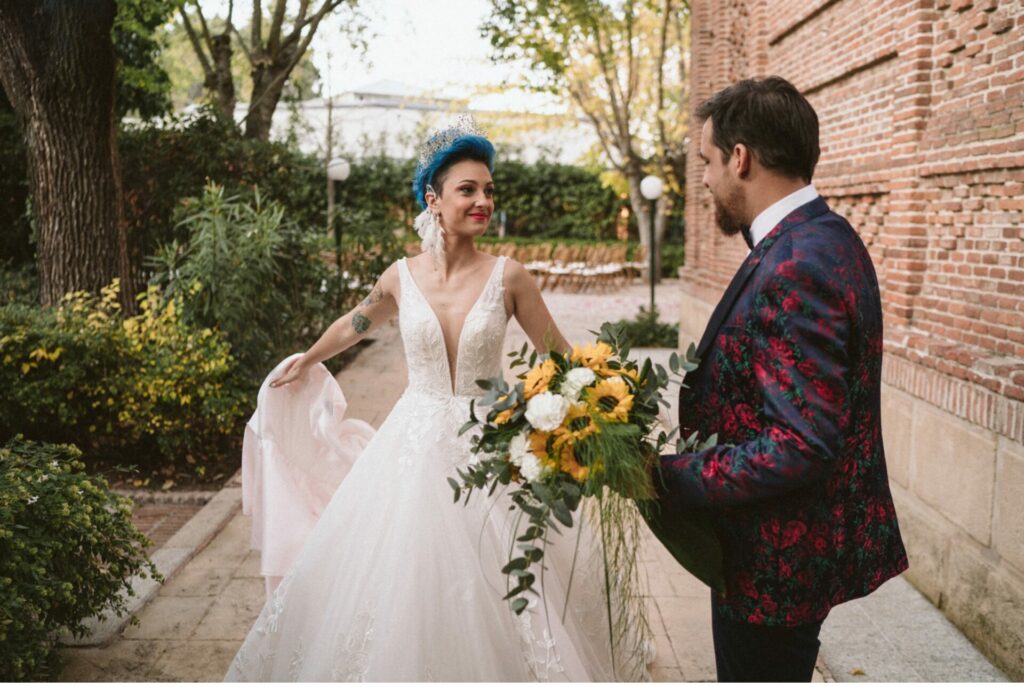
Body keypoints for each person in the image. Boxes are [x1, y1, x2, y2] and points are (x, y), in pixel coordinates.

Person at [224, 120, 649, 681]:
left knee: (500, 576)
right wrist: (309, 357)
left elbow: (561, 360)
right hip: (412, 443)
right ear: (434, 199)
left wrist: (612, 408)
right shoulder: (401, 276)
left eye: (489, 190)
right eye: (468, 189)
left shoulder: (510, 276)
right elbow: (356, 322)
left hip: (490, 444)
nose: (483, 201)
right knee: (400, 575)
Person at [653, 77, 909, 682]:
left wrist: (667, 475)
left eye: (708, 162)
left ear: (740, 158)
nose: (708, 179)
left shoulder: (797, 263)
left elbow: (800, 444)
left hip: (775, 566)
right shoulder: (825, 236)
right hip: (784, 554)